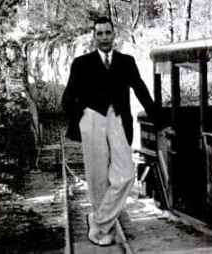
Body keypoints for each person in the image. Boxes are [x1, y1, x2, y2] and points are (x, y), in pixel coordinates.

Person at [61, 16, 159, 246]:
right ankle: (103, 232)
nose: (104, 37)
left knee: (125, 175)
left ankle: (98, 220)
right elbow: (67, 98)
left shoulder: (126, 61)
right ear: (94, 37)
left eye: (108, 33)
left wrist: (159, 118)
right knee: (97, 180)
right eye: (100, 33)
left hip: (118, 120)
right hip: (92, 119)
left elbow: (141, 90)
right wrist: (83, 116)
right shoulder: (81, 63)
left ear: (114, 35)